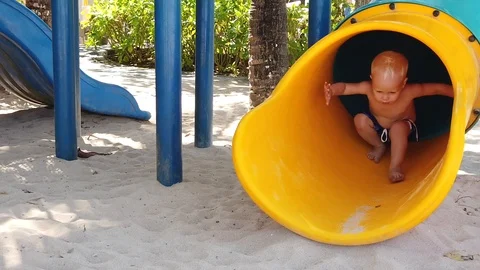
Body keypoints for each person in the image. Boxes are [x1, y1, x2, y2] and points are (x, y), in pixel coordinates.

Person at [324, 50, 453, 183]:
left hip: (402, 124)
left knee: (398, 129)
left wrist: (458, 93)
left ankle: (395, 166)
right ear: (372, 79)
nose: (385, 97)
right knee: (360, 120)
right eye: (379, 91)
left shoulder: (410, 91)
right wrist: (332, 90)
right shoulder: (367, 87)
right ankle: (378, 145)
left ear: (403, 84)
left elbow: (436, 89)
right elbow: (345, 88)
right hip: (377, 122)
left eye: (392, 92)